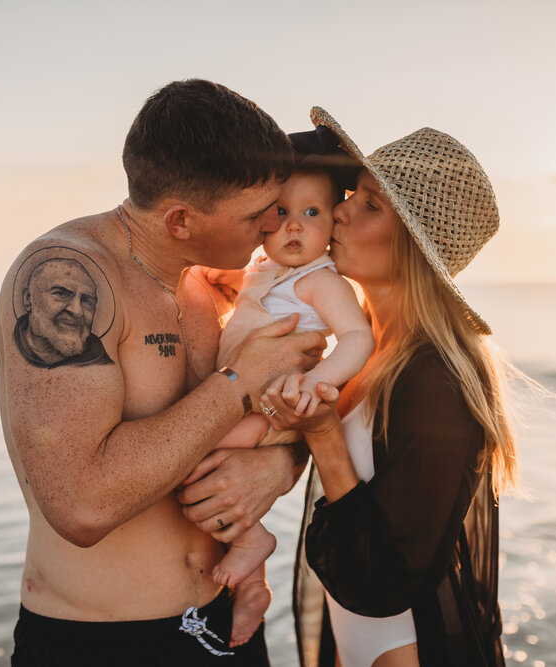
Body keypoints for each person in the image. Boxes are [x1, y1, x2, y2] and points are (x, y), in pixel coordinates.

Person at [0, 80, 325, 666]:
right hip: (104, 647)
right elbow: (81, 505)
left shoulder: (205, 284)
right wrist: (237, 383)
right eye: (256, 213)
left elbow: (255, 422)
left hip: (227, 626)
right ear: (179, 219)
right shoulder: (68, 277)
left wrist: (278, 466)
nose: (275, 222)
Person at [262, 108, 520, 667]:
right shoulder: (364, 352)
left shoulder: (435, 380)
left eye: (371, 205)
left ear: (413, 248)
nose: (342, 209)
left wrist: (324, 435)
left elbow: (391, 574)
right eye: (354, 192)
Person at [189, 165, 374, 647]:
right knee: (214, 474)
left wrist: (317, 381)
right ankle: (253, 582)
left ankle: (254, 542)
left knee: (190, 458)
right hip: (241, 400)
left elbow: (358, 338)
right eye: (282, 212)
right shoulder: (262, 269)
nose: (294, 225)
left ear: (333, 225)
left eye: (311, 213)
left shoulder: (321, 281)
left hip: (268, 408)